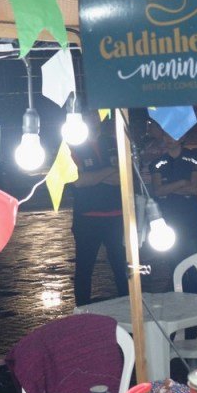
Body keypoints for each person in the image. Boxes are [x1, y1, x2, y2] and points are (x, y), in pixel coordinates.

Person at [70, 114, 128, 307]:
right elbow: (78, 181)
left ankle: (129, 310)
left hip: (116, 217)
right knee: (84, 269)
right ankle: (82, 314)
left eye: (95, 115)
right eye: (88, 116)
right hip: (87, 219)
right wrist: (110, 170)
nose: (93, 119)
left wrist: (94, 175)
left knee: (122, 268)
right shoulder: (72, 145)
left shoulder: (112, 142)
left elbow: (124, 177)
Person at [148, 128, 197, 292]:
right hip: (169, 220)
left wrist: (169, 188)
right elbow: (158, 191)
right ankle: (180, 301)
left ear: (183, 137)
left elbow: (194, 189)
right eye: (166, 135)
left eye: (173, 134)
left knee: (195, 264)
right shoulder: (158, 163)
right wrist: (181, 183)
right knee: (174, 264)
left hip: (191, 218)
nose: (170, 138)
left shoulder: (193, 159)